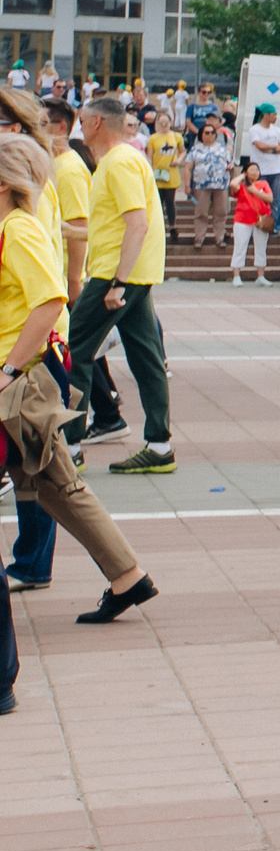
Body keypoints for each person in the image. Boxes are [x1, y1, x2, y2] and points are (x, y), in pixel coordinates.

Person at [0, 133, 157, 625]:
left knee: (58, 486)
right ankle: (128, 576)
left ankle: (128, 575)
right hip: (20, 374)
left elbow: (49, 301)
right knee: (56, 486)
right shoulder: (11, 226)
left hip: (21, 376)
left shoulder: (18, 229)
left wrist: (6, 371)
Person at [64, 95, 174, 474]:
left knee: (74, 350)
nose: (78, 128)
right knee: (146, 358)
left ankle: (71, 446)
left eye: (81, 121)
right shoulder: (118, 161)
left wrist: (118, 283)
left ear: (95, 124)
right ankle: (159, 447)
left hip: (118, 276)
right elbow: (108, 227)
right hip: (130, 275)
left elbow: (137, 224)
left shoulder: (119, 162)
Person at [228, 161, 273, 286]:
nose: (255, 172)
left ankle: (261, 276)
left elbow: (269, 198)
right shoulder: (242, 186)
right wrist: (243, 176)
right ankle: (236, 275)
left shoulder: (263, 184)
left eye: (257, 170)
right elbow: (232, 184)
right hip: (243, 219)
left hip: (261, 220)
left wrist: (255, 191)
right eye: (252, 170)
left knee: (261, 247)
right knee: (240, 246)